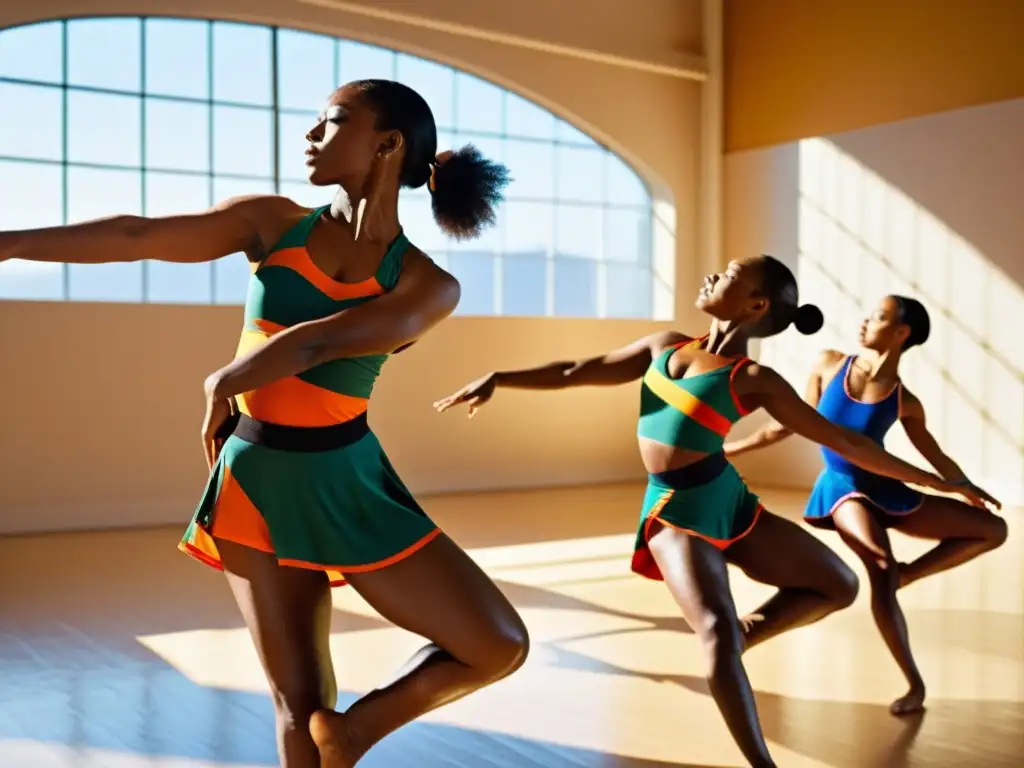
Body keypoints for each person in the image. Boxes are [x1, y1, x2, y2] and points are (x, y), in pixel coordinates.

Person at [0, 80, 529, 768]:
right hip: (257, 478)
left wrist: (227, 381)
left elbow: (321, 341)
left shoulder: (427, 285)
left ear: (388, 144)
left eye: (331, 122)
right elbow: (138, 235)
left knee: (497, 643)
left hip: (347, 477)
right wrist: (10, 242)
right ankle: (330, 737)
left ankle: (356, 733)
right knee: (298, 704)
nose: (309, 135)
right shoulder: (271, 223)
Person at [433, 258, 996, 768]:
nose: (712, 276)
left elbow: (848, 444)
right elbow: (577, 368)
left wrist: (939, 480)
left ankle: (742, 637)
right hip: (674, 510)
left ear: (755, 306)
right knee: (713, 628)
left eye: (728, 275)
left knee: (840, 584)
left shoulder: (754, 381)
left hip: (729, 500)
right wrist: (502, 378)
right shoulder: (665, 346)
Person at [724, 294, 1007, 716]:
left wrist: (964, 486)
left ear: (901, 332)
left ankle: (906, 575)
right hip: (843, 488)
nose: (864, 321)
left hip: (887, 488)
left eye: (878, 317)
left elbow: (934, 455)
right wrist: (730, 449)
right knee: (878, 563)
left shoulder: (904, 400)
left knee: (993, 531)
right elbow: (786, 424)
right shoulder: (828, 364)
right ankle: (915, 684)